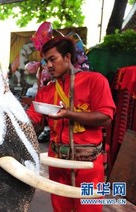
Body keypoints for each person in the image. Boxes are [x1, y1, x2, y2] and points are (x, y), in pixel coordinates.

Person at [26, 36, 116, 212]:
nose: (49, 65)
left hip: (88, 164)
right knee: (61, 209)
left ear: (67, 57)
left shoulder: (95, 81)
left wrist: (69, 114)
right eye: (46, 61)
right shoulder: (46, 91)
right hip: (57, 162)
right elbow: (33, 119)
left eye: (53, 59)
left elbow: (106, 117)